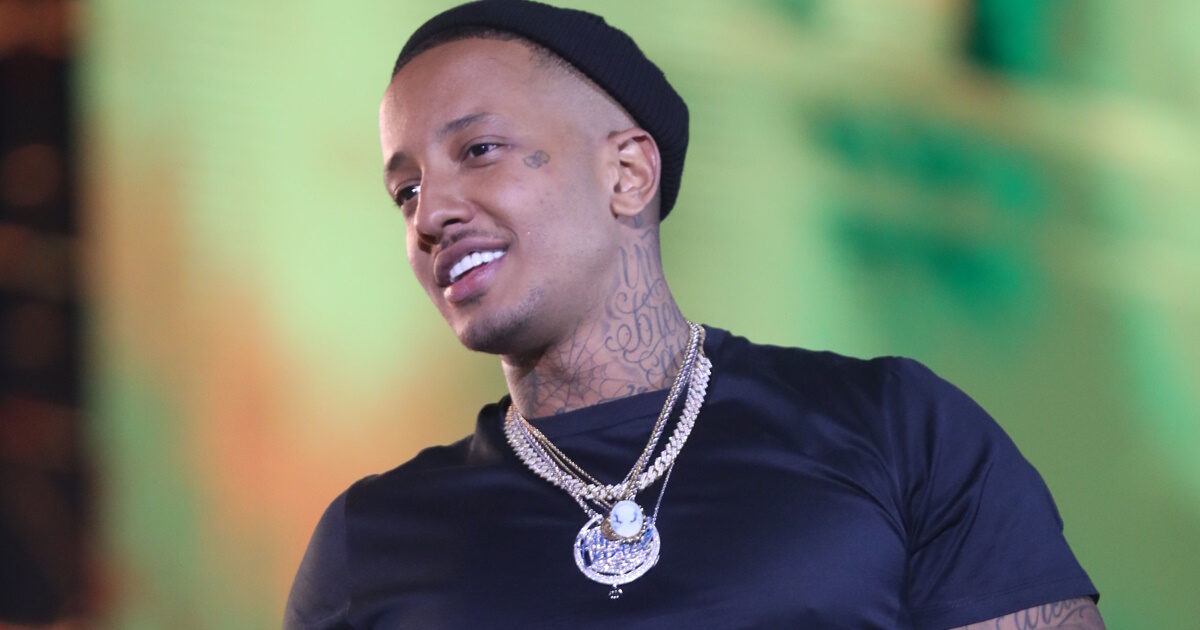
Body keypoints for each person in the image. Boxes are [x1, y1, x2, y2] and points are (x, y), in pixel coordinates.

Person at [285, 1, 1103, 628]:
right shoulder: (371, 542)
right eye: (406, 191)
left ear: (628, 174)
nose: (430, 215)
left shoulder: (895, 430)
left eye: (478, 150)